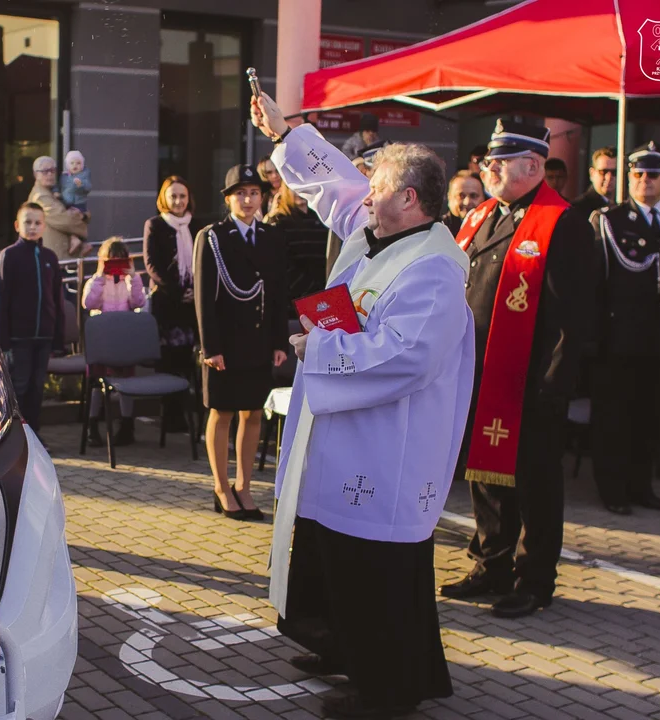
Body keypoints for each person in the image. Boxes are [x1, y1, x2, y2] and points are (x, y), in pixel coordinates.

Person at [252, 91, 473, 719]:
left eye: (379, 187)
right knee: (339, 557)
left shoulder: (434, 266)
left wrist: (313, 347)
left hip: (387, 453)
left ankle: (388, 691)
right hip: (347, 440)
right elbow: (337, 189)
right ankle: (351, 650)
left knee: (379, 574)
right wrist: (285, 133)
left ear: (410, 199)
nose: (366, 196)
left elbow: (406, 355)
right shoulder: (376, 231)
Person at [439, 119, 598, 619]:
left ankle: (534, 578)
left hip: (529, 382)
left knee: (533, 481)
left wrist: (554, 386)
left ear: (532, 166)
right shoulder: (483, 215)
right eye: (489, 160)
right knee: (485, 477)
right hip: (479, 373)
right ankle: (492, 563)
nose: (487, 167)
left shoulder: (562, 222)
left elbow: (573, 318)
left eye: (499, 161)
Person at [590, 143, 660, 509]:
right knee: (615, 420)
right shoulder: (611, 220)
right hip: (618, 341)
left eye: (653, 175)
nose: (644, 181)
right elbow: (596, 286)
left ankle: (641, 487)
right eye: (637, 174)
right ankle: (613, 491)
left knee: (648, 419)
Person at [193, 164, 288, 521]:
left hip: (260, 340)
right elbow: (203, 296)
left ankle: (244, 486)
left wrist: (280, 340)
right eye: (240, 194)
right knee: (223, 411)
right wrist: (210, 347)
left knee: (252, 414)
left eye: (254, 193)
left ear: (262, 198)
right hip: (225, 343)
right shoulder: (213, 237)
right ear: (229, 199)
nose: (247, 200)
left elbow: (278, 292)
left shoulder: (272, 237)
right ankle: (221, 487)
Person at [0, 202, 65, 436]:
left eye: (37, 223)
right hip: (18, 337)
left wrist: (58, 340)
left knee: (37, 388)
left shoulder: (50, 258)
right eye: (28, 222)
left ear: (44, 226)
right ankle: (16, 438)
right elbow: (0, 303)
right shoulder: (9, 256)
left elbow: (57, 299)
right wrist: (2, 343)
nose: (32, 227)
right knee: (19, 387)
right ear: (17, 225)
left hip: (44, 336)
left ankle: (35, 436)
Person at [143, 176, 202, 432]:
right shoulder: (155, 225)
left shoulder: (198, 225)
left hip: (193, 304)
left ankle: (187, 415)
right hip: (167, 302)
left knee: (188, 359)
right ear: (164, 198)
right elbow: (152, 265)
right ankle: (170, 416)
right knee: (168, 360)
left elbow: (205, 262)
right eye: (173, 196)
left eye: (183, 196)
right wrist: (179, 291)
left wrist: (194, 291)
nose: (178, 201)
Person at [82, 237, 147, 447]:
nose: (115, 265)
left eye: (120, 260)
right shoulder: (95, 282)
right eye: (111, 260)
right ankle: (92, 424)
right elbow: (88, 303)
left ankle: (127, 424)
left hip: (123, 339)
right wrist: (101, 277)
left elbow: (138, 302)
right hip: (102, 339)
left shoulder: (129, 282)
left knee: (126, 381)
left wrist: (133, 278)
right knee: (96, 383)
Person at [28, 155, 90, 260]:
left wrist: (83, 215)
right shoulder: (40, 196)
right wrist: (83, 217)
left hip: (59, 258)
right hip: (54, 259)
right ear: (35, 174)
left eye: (53, 171)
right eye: (45, 171)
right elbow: (66, 220)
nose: (50, 174)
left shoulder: (53, 192)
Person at [60, 150, 92, 256]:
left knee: (75, 222)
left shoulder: (83, 175)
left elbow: (88, 187)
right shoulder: (64, 176)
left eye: (78, 163)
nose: (75, 166)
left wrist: (81, 184)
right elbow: (59, 185)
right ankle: (79, 242)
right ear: (68, 165)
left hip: (79, 203)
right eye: (72, 163)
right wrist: (56, 192)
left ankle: (79, 241)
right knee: (70, 222)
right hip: (67, 203)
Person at [572, 147, 616, 220]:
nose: (609, 177)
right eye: (603, 172)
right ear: (592, 173)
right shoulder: (577, 208)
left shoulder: (627, 206)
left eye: (615, 172)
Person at [442, 170, 484, 236]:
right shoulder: (439, 230)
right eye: (461, 196)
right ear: (449, 198)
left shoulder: (491, 228)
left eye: (473, 196)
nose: (467, 202)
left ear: (484, 198)